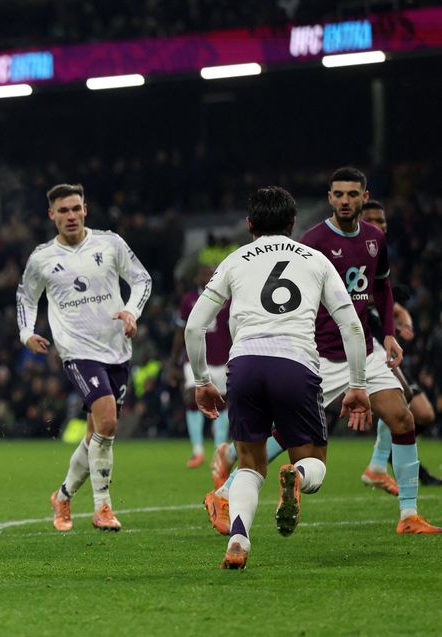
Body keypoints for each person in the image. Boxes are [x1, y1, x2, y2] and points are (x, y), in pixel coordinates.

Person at [203, 168, 441, 536]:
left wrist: (389, 334)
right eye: (338, 194)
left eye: (352, 194)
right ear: (329, 198)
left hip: (361, 350)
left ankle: (408, 514)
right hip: (318, 355)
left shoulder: (375, 238)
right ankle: (226, 488)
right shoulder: (312, 243)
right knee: (290, 438)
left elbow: (383, 290)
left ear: (365, 196)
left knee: (403, 418)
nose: (345, 200)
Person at [185, 186, 372, 570]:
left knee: (250, 465)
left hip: (246, 364)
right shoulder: (316, 259)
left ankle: (238, 537)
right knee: (314, 461)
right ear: (292, 223)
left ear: (250, 223)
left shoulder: (235, 259)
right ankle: (297, 476)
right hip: (295, 363)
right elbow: (351, 326)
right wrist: (357, 385)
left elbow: (194, 327)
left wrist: (203, 380)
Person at [16, 183, 152, 532]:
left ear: (85, 209)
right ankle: (102, 508)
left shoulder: (110, 243)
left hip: (117, 348)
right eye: (63, 210)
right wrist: (26, 333)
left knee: (97, 434)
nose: (71, 216)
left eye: (76, 208)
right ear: (52, 215)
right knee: (107, 423)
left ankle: (62, 496)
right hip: (77, 351)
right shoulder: (42, 258)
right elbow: (26, 298)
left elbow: (141, 279)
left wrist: (132, 312)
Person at [358, 200, 442, 488]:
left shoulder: (378, 255)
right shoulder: (350, 253)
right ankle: (380, 464)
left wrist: (404, 318)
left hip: (378, 342)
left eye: (382, 222)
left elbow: (388, 303)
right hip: (348, 345)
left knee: (422, 414)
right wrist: (388, 297)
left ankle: (381, 463)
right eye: (372, 221)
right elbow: (350, 297)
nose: (379, 227)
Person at [169, 264, 232, 468]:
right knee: (192, 397)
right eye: (204, 274)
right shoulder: (188, 300)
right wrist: (173, 361)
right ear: (197, 278)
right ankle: (197, 450)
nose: (207, 277)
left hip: (221, 360)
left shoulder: (228, 300)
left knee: (221, 404)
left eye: (211, 274)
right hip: (194, 359)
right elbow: (181, 332)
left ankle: (219, 448)